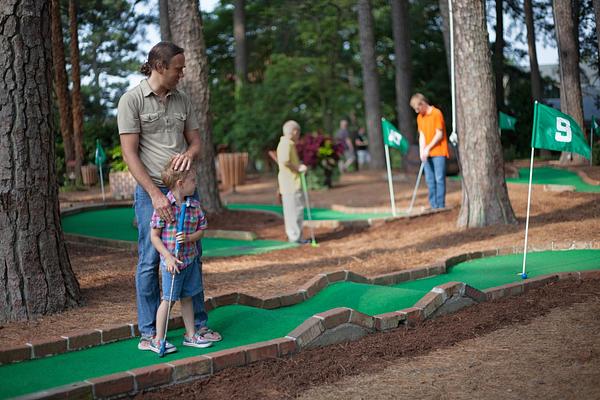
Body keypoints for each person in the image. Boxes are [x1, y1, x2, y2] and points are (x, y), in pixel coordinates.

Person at [117, 42, 221, 352]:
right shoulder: (131, 100)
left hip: (185, 190)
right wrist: (154, 194)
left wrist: (190, 153)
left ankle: (197, 327)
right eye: (178, 67)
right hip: (152, 191)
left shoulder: (183, 100)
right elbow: (129, 153)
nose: (182, 72)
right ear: (159, 66)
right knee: (151, 259)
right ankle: (150, 334)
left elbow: (196, 143)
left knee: (193, 254)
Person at [149, 158, 212, 353]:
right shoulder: (164, 207)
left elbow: (202, 230)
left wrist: (189, 237)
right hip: (172, 263)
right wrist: (167, 256)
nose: (196, 184)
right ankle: (158, 339)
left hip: (190, 260)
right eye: (193, 180)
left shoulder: (194, 206)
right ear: (181, 184)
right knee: (168, 299)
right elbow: (154, 236)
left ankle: (190, 335)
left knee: (188, 298)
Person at [410, 93, 449, 209]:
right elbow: (422, 135)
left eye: (418, 108)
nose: (417, 111)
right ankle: (433, 205)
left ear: (423, 104)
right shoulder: (420, 117)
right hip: (426, 154)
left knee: (439, 178)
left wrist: (428, 148)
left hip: (438, 152)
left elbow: (439, 134)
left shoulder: (436, 113)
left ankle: (440, 205)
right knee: (429, 180)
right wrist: (422, 151)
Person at [276, 120, 308, 243]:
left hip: (287, 183)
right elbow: (285, 161)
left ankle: (294, 236)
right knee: (296, 210)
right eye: (298, 133)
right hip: (291, 183)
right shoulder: (287, 144)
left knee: (292, 211)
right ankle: (296, 237)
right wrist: (298, 168)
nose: (298, 136)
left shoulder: (284, 143)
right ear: (295, 132)